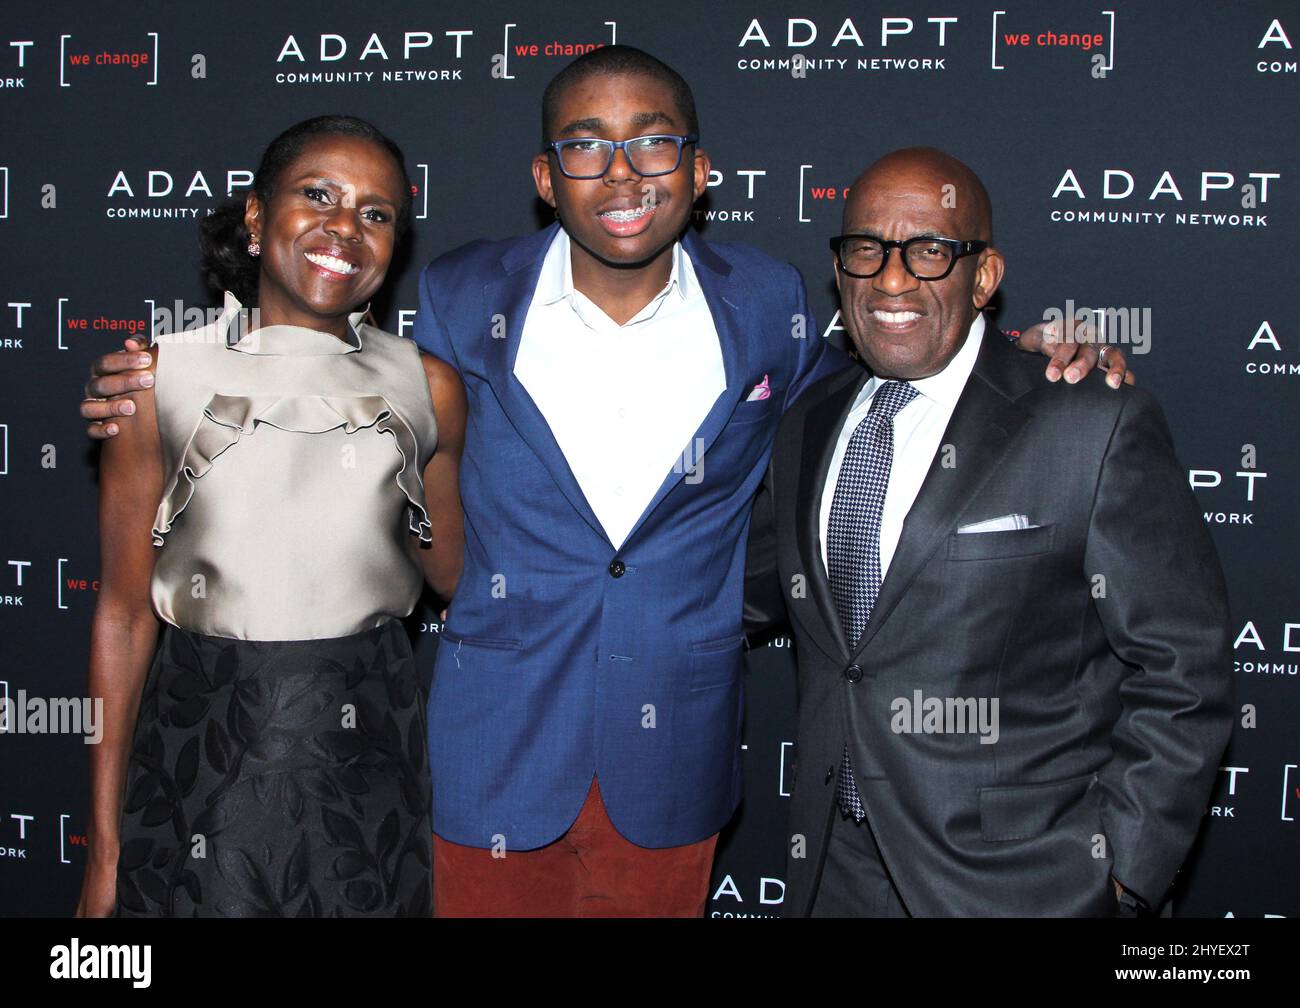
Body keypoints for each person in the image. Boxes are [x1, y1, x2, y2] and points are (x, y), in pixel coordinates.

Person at [80, 48, 1127, 918]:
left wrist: (1025, 352)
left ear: (699, 168)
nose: (622, 172)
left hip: (670, 747)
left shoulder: (767, 303)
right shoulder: (454, 299)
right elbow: (318, 365)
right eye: (585, 145)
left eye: (652, 142)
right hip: (486, 749)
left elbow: (895, 361)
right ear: (546, 178)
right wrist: (161, 376)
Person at [745, 147, 1232, 917]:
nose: (893, 279)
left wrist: (1125, 877)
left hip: (1025, 885)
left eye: (930, 251)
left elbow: (1183, 670)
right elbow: (742, 594)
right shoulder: (808, 421)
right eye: (866, 250)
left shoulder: (1088, 420)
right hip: (832, 872)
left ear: (983, 277)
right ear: (840, 272)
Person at [75, 116, 467, 918]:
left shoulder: (429, 388)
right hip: (202, 765)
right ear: (256, 217)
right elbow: (120, 615)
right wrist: (104, 855)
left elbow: (452, 573)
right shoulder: (155, 380)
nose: (345, 228)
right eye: (318, 195)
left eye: (376, 212)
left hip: (369, 762)